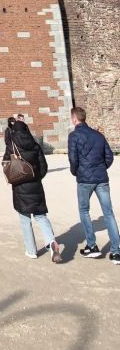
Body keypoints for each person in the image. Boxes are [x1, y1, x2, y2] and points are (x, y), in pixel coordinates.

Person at [3, 119, 62, 262]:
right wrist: (35, 178)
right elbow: (44, 167)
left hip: (20, 187)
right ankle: (51, 242)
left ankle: (31, 251)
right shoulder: (35, 145)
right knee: (41, 217)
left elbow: (6, 164)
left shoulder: (12, 145)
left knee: (25, 220)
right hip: (36, 186)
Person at [68, 106, 120, 263]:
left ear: (74, 118)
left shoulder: (74, 135)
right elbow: (109, 156)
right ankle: (116, 252)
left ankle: (92, 246)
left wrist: (76, 172)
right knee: (108, 213)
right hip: (101, 178)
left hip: (84, 180)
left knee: (84, 211)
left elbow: (73, 159)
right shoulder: (98, 135)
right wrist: (101, 168)